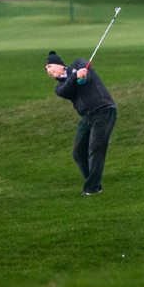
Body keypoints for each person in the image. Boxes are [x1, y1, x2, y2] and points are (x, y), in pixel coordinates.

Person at [44, 50, 117, 196]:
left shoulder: (79, 63)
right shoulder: (59, 88)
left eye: (50, 67)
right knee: (78, 152)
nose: (49, 72)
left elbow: (88, 76)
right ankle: (94, 182)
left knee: (95, 149)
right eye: (46, 70)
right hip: (87, 117)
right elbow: (68, 89)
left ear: (60, 65)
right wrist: (75, 77)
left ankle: (92, 188)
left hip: (104, 110)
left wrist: (82, 77)